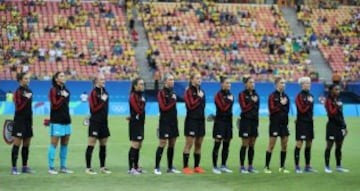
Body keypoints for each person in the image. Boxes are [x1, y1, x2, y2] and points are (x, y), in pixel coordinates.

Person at [154, 74, 181, 175]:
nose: (172, 81)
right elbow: (163, 108)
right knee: (162, 143)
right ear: (165, 81)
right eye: (170, 79)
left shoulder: (173, 92)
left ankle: (170, 167)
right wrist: (173, 100)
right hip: (164, 122)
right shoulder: (161, 93)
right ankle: (157, 167)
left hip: (173, 122)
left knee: (172, 144)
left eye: (173, 79)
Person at [85, 73, 112, 175]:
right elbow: (93, 109)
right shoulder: (93, 93)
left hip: (104, 123)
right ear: (96, 81)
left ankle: (102, 167)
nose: (103, 81)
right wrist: (102, 101)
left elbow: (106, 108)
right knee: (91, 144)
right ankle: (88, 168)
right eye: (101, 79)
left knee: (103, 145)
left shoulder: (105, 92)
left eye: (104, 79)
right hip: (95, 122)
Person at [48, 71, 73, 175]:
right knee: (54, 144)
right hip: (56, 120)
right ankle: (51, 167)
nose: (64, 77)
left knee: (65, 144)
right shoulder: (53, 90)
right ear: (56, 79)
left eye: (64, 75)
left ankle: (63, 167)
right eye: (61, 76)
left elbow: (66, 105)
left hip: (67, 120)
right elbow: (54, 105)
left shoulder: (66, 90)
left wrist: (63, 96)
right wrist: (62, 97)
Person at [264, 77, 290, 174]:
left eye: (284, 83)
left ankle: (282, 167)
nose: (284, 85)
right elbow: (272, 110)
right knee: (271, 145)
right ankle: (266, 167)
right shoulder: (272, 96)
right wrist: (280, 104)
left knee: (284, 146)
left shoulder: (286, 96)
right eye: (282, 83)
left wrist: (281, 106)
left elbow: (287, 110)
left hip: (284, 124)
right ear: (277, 84)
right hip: (274, 124)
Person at [182, 73, 206, 174]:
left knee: (199, 144)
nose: (199, 80)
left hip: (201, 120)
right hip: (191, 120)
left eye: (200, 78)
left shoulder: (202, 91)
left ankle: (196, 166)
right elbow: (190, 106)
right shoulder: (188, 91)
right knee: (189, 143)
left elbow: (203, 106)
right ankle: (185, 167)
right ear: (192, 80)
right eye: (197, 78)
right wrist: (199, 98)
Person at [11, 72, 33, 175]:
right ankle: (14, 167)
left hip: (28, 122)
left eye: (28, 78)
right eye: (25, 79)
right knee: (17, 145)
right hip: (19, 121)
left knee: (26, 145)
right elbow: (18, 107)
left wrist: (31, 123)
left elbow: (29, 109)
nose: (28, 80)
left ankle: (24, 166)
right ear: (20, 80)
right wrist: (26, 98)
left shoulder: (29, 91)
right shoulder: (17, 92)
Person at [324, 84, 349, 173]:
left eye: (339, 89)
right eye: (336, 89)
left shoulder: (338, 100)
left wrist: (345, 126)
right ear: (331, 91)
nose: (338, 91)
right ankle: (327, 166)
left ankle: (338, 166)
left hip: (339, 126)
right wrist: (337, 106)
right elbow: (331, 113)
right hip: (331, 126)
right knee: (329, 146)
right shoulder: (328, 101)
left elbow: (341, 115)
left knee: (339, 146)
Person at [294, 77, 317, 173]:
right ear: (302, 85)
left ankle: (307, 166)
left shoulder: (311, 95)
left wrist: (312, 117)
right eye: (307, 83)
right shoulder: (299, 96)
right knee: (299, 143)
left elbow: (310, 110)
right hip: (301, 123)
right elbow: (301, 110)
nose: (309, 84)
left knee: (309, 144)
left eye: (309, 83)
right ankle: (297, 166)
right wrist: (309, 102)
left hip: (309, 123)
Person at [211, 76, 234, 174]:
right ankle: (215, 166)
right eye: (227, 83)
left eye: (230, 83)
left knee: (226, 144)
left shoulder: (230, 95)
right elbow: (222, 108)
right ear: (222, 84)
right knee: (217, 144)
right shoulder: (218, 95)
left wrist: (229, 100)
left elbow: (228, 108)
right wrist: (230, 100)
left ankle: (223, 165)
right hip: (220, 122)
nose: (229, 85)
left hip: (228, 122)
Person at [238, 76, 259, 173]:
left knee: (252, 144)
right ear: (246, 84)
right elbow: (244, 108)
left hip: (254, 122)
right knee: (244, 144)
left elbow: (256, 109)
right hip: (245, 122)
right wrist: (252, 102)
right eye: (250, 82)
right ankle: (242, 167)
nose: (252, 84)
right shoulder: (242, 94)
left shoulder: (256, 95)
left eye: (253, 82)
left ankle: (250, 166)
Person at [128, 77, 146, 175]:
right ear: (135, 86)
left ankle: (136, 166)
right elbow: (138, 110)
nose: (142, 86)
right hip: (135, 124)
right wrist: (143, 102)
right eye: (140, 84)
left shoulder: (140, 96)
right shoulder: (133, 96)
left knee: (139, 145)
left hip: (140, 123)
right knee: (135, 145)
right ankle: (131, 168)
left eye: (143, 84)